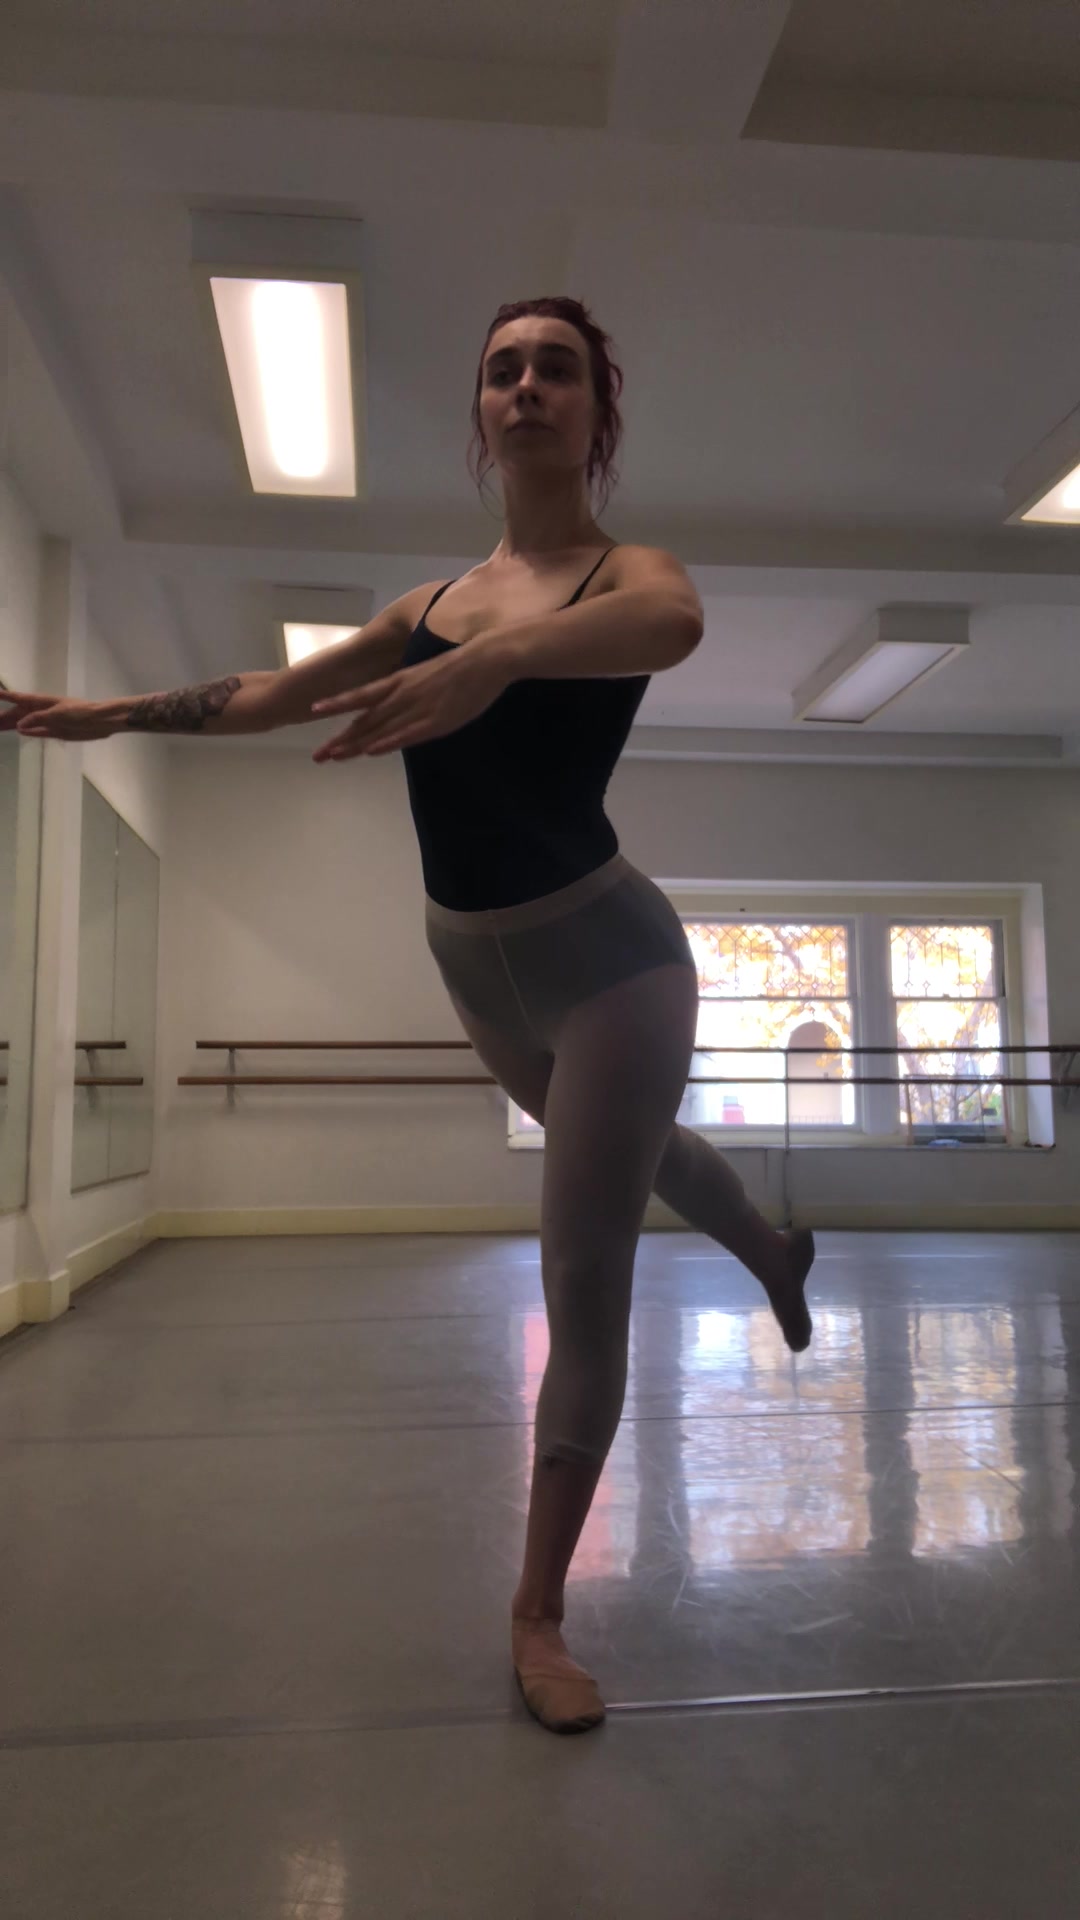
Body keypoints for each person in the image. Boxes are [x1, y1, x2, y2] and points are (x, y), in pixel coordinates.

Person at [1, 295, 815, 1736]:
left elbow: (675, 625)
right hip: (472, 961)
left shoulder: (622, 573)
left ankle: (538, 1614)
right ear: (481, 412)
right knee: (637, 1157)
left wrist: (501, 661)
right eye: (503, 370)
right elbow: (270, 692)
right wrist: (112, 711)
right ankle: (770, 1247)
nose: (527, 385)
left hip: (613, 959)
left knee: (583, 1269)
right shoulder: (423, 608)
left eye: (556, 368)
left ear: (595, 411)